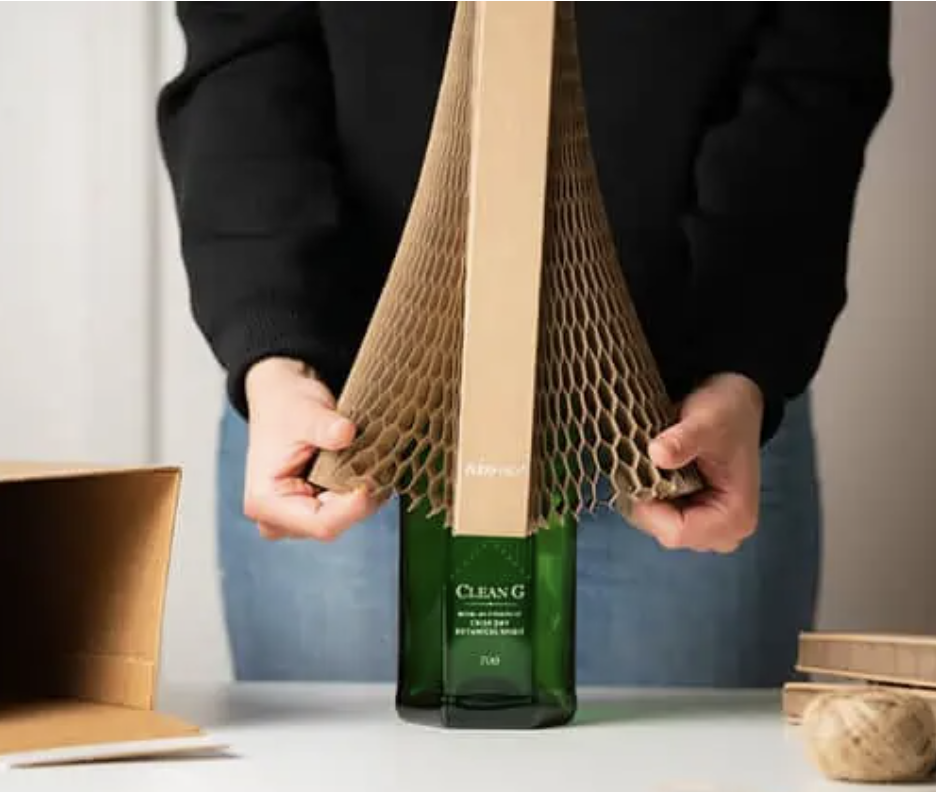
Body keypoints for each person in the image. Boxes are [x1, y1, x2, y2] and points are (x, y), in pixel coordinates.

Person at [157, 4, 891, 686]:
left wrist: (744, 353)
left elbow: (817, 57)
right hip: (347, 416)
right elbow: (245, 41)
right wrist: (277, 352)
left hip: (685, 420)